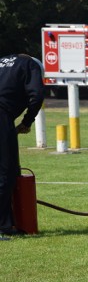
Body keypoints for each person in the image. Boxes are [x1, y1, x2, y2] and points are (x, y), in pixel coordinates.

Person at [0, 54, 45, 240]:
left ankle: (7, 224)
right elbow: (37, 95)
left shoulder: (2, 61)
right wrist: (27, 121)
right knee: (5, 172)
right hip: (2, 116)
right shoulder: (29, 65)